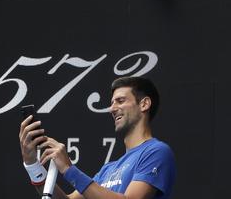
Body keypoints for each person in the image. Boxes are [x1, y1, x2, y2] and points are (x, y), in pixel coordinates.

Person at [20, 76, 175, 198]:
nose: (112, 108)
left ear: (144, 104)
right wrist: (32, 164)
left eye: (120, 101)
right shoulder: (108, 170)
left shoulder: (156, 152)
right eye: (112, 102)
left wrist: (68, 169)